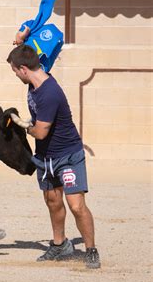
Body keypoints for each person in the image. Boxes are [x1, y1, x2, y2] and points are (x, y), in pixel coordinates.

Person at [6, 44, 101, 269]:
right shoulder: (37, 75)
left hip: (68, 156)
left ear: (24, 69)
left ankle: (91, 250)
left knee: (76, 205)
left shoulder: (49, 94)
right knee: (53, 201)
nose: (16, 76)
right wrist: (23, 36)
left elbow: (40, 132)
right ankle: (60, 245)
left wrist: (22, 125)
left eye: (15, 72)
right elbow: (39, 45)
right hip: (46, 157)